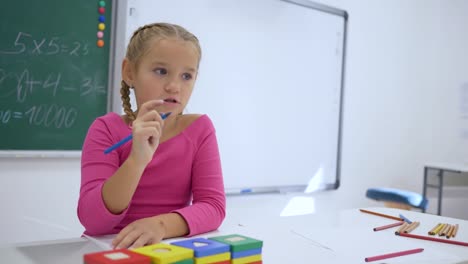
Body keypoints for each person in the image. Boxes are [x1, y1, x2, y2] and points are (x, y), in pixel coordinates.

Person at [77, 22, 226, 249]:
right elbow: (93, 221)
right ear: (129, 72)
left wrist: (161, 226)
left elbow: (213, 207)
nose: (174, 86)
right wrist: (137, 161)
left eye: (187, 76)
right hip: (108, 247)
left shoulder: (200, 129)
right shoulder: (105, 129)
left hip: (167, 247)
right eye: (161, 71)